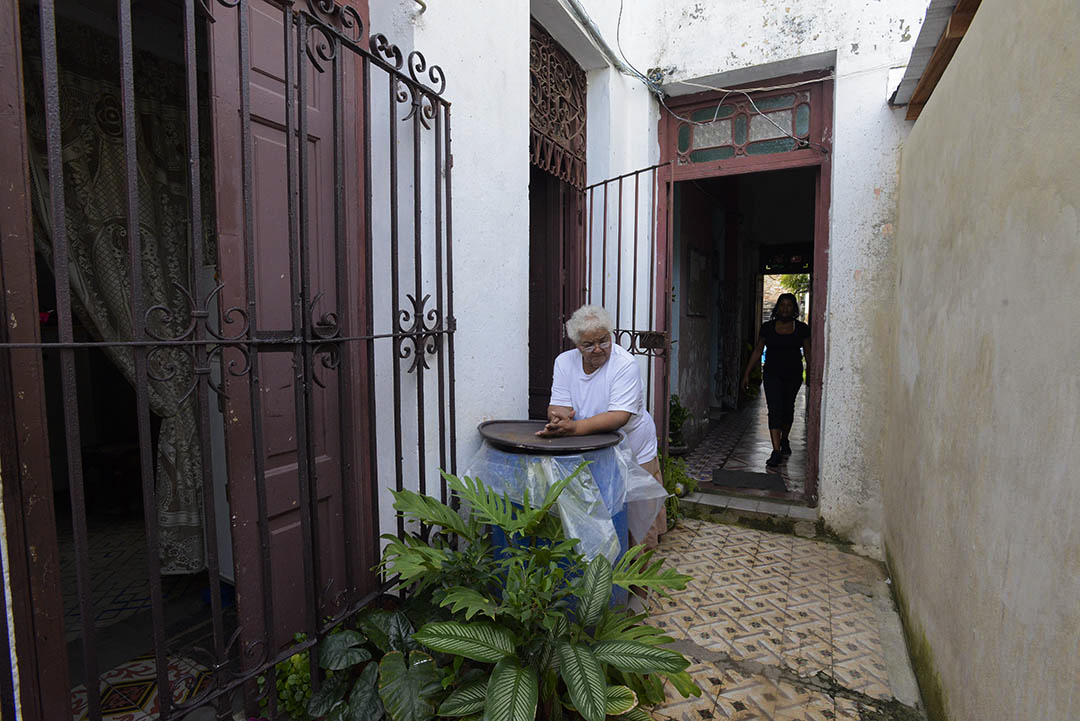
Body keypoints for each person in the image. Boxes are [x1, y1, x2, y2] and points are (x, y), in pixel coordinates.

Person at [536, 304, 666, 547]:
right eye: (588, 344)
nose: (598, 349)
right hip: (593, 450)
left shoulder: (624, 364)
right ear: (577, 345)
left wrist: (573, 428)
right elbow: (558, 405)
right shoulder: (564, 362)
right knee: (601, 518)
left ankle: (637, 584)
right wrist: (558, 419)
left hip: (634, 451)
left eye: (603, 340)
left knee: (637, 525)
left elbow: (618, 417)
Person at [741, 293, 810, 468]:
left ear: (794, 309)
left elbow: (808, 354)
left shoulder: (802, 329)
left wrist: (813, 375)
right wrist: (747, 373)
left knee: (788, 409)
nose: (785, 308)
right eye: (782, 305)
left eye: (789, 305)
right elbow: (758, 351)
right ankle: (776, 451)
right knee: (774, 409)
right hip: (772, 375)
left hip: (793, 376)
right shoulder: (767, 328)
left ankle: (785, 438)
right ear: (777, 307)